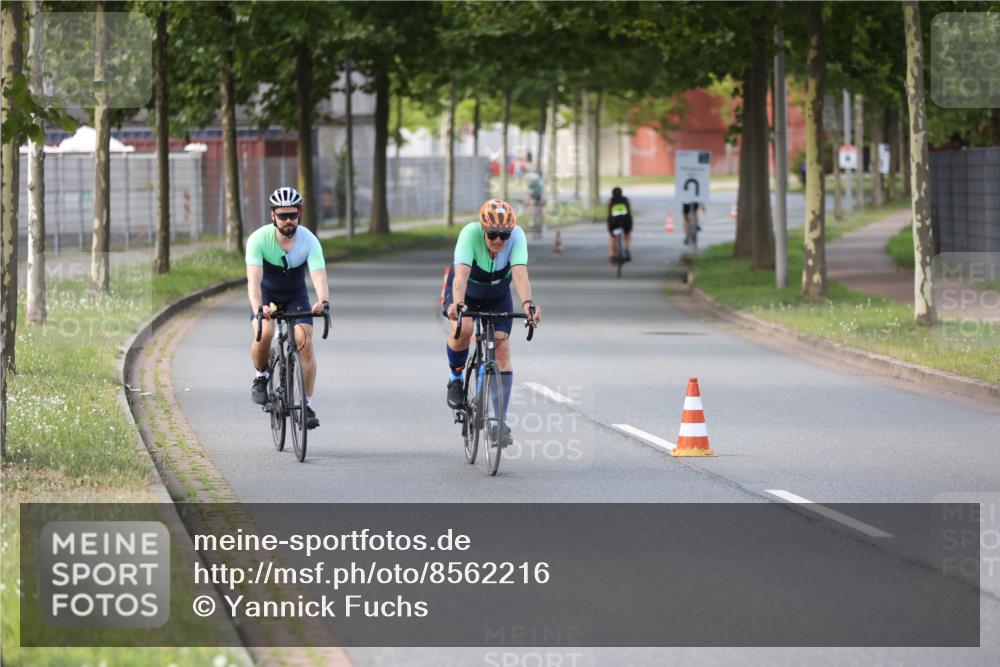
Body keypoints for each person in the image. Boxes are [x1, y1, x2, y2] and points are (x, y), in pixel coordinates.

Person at [443, 198, 542, 446]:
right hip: (466, 291)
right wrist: (458, 304)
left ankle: (499, 422)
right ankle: (455, 378)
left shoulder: (517, 236)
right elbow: (460, 276)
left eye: (504, 235)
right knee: (464, 328)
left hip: (497, 294)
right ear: (483, 229)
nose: (499, 240)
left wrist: (528, 304)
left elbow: (519, 273)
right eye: (493, 234)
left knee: (502, 350)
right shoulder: (469, 234)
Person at [246, 186, 330, 429]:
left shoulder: (309, 240)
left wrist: (323, 302)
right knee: (265, 333)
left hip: (295, 294)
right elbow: (253, 282)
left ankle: (307, 404)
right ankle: (261, 376)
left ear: (300, 214)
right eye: (282, 216)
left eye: (292, 215)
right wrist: (259, 308)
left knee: (305, 343)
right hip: (266, 294)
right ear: (273, 215)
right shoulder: (258, 239)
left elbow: (318, 275)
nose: (288, 221)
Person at [606, 186, 633, 262]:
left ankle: (612, 255)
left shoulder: (610, 201)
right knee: (627, 233)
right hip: (625, 220)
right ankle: (626, 248)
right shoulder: (626, 200)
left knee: (612, 237)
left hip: (614, 221)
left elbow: (609, 212)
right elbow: (629, 211)